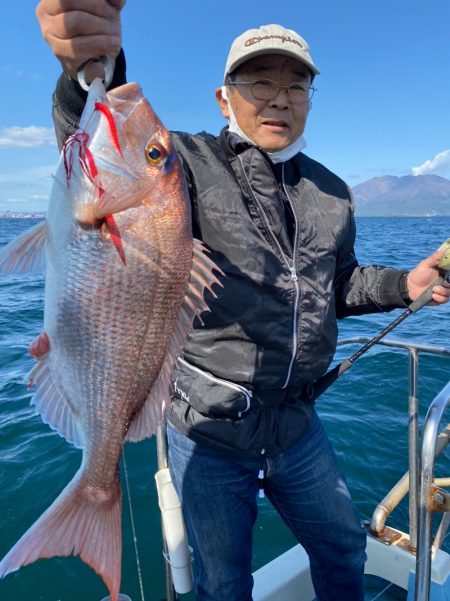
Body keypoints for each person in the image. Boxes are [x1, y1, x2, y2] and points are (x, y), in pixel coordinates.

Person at [35, 2, 450, 600]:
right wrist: (88, 69)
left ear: (310, 96)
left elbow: (338, 285)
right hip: (208, 428)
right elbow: (100, 152)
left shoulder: (332, 191)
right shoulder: (183, 163)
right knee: (223, 582)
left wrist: (403, 288)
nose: (279, 99)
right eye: (260, 81)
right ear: (224, 97)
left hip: (298, 425)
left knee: (342, 545)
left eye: (295, 83)